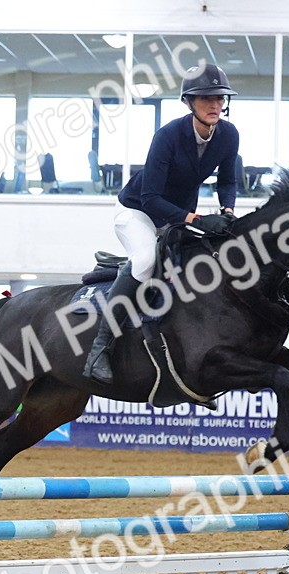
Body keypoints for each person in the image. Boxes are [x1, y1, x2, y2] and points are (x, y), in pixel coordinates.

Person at [83, 62, 241, 383]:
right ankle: (99, 349)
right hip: (137, 211)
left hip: (179, 214)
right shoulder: (167, 136)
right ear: (188, 102)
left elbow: (227, 181)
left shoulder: (228, 135)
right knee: (145, 260)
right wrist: (194, 219)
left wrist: (227, 211)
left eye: (219, 98)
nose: (215, 104)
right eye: (205, 98)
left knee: (199, 266)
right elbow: (151, 197)